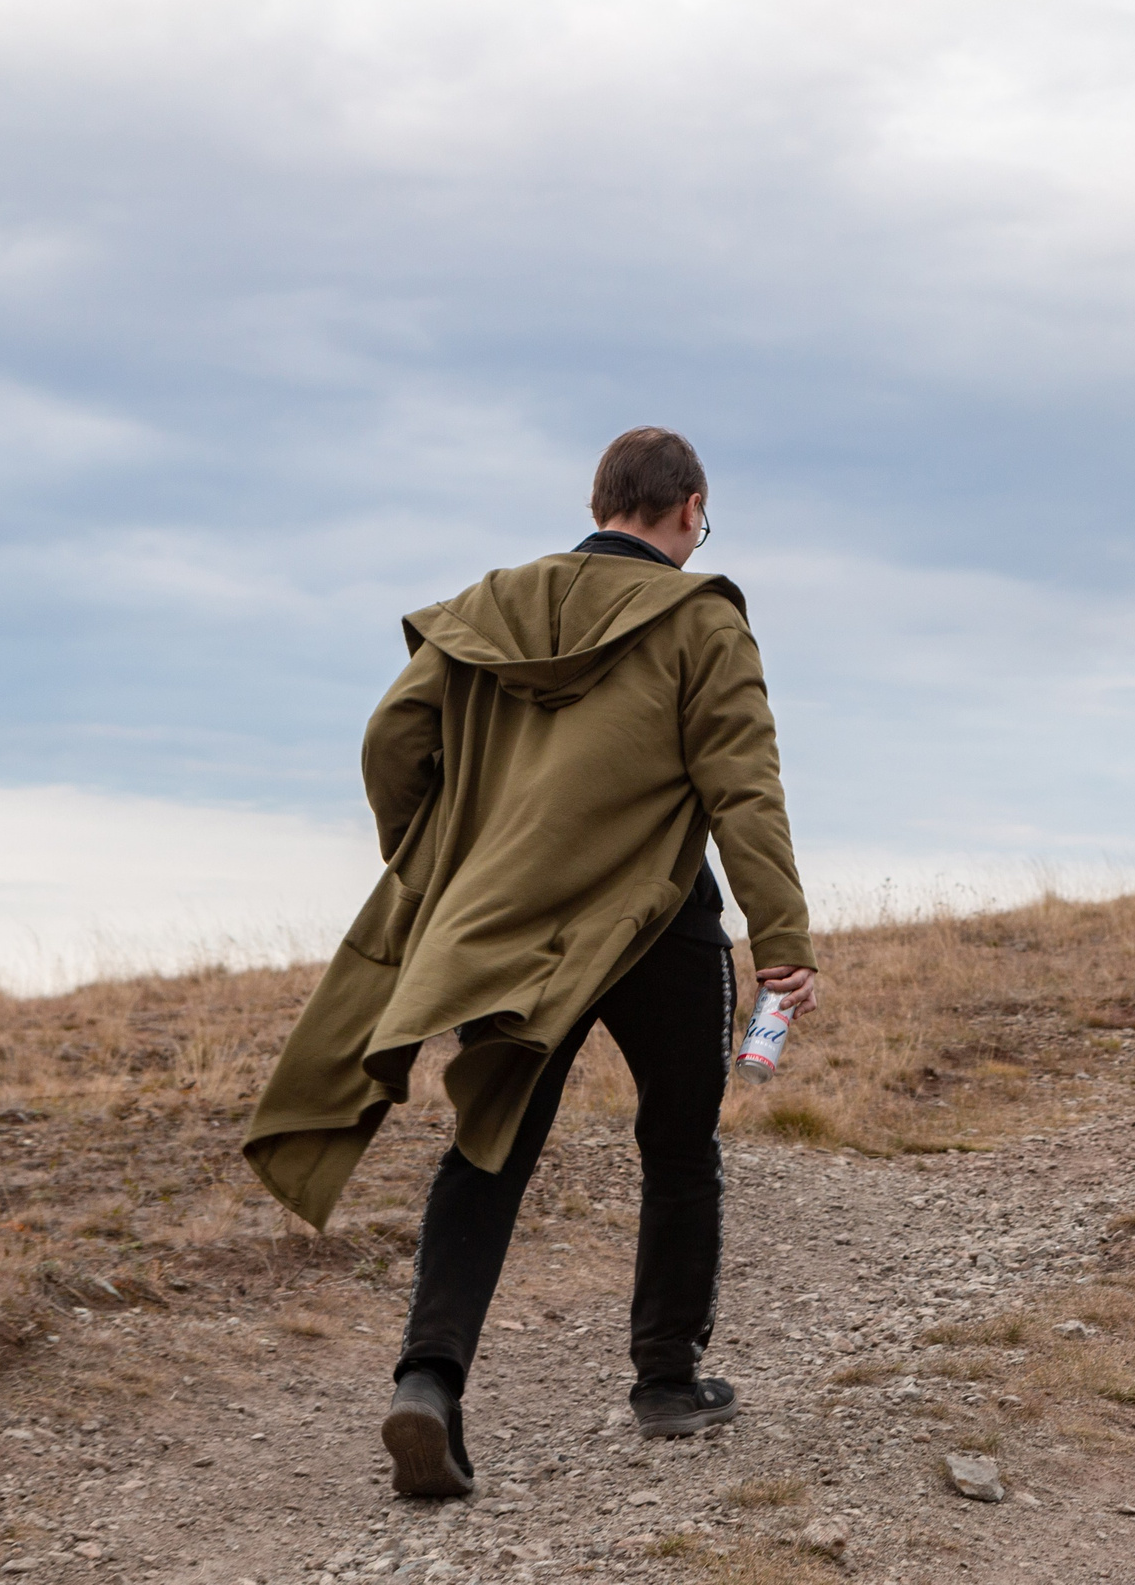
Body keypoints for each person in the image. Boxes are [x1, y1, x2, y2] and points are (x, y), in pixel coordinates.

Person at [241, 426, 819, 1498]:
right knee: (679, 1146)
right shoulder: (701, 619)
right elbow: (743, 786)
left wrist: (447, 855)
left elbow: (389, 742)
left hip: (505, 924)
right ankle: (664, 1382)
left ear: (599, 500)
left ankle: (428, 1385)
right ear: (688, 509)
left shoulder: (489, 605)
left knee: (489, 1145)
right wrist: (780, 943)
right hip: (657, 925)